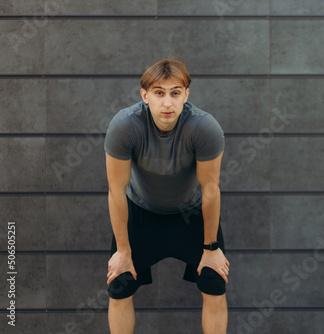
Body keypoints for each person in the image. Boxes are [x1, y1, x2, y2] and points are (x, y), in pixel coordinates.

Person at [104, 56, 229, 334]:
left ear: (186, 94)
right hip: (140, 212)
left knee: (214, 281)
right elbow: (116, 190)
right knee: (119, 284)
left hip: (191, 214)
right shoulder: (125, 126)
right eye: (159, 93)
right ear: (145, 95)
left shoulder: (204, 127)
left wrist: (210, 248)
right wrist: (123, 251)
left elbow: (210, 189)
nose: (167, 103)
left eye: (175, 93)